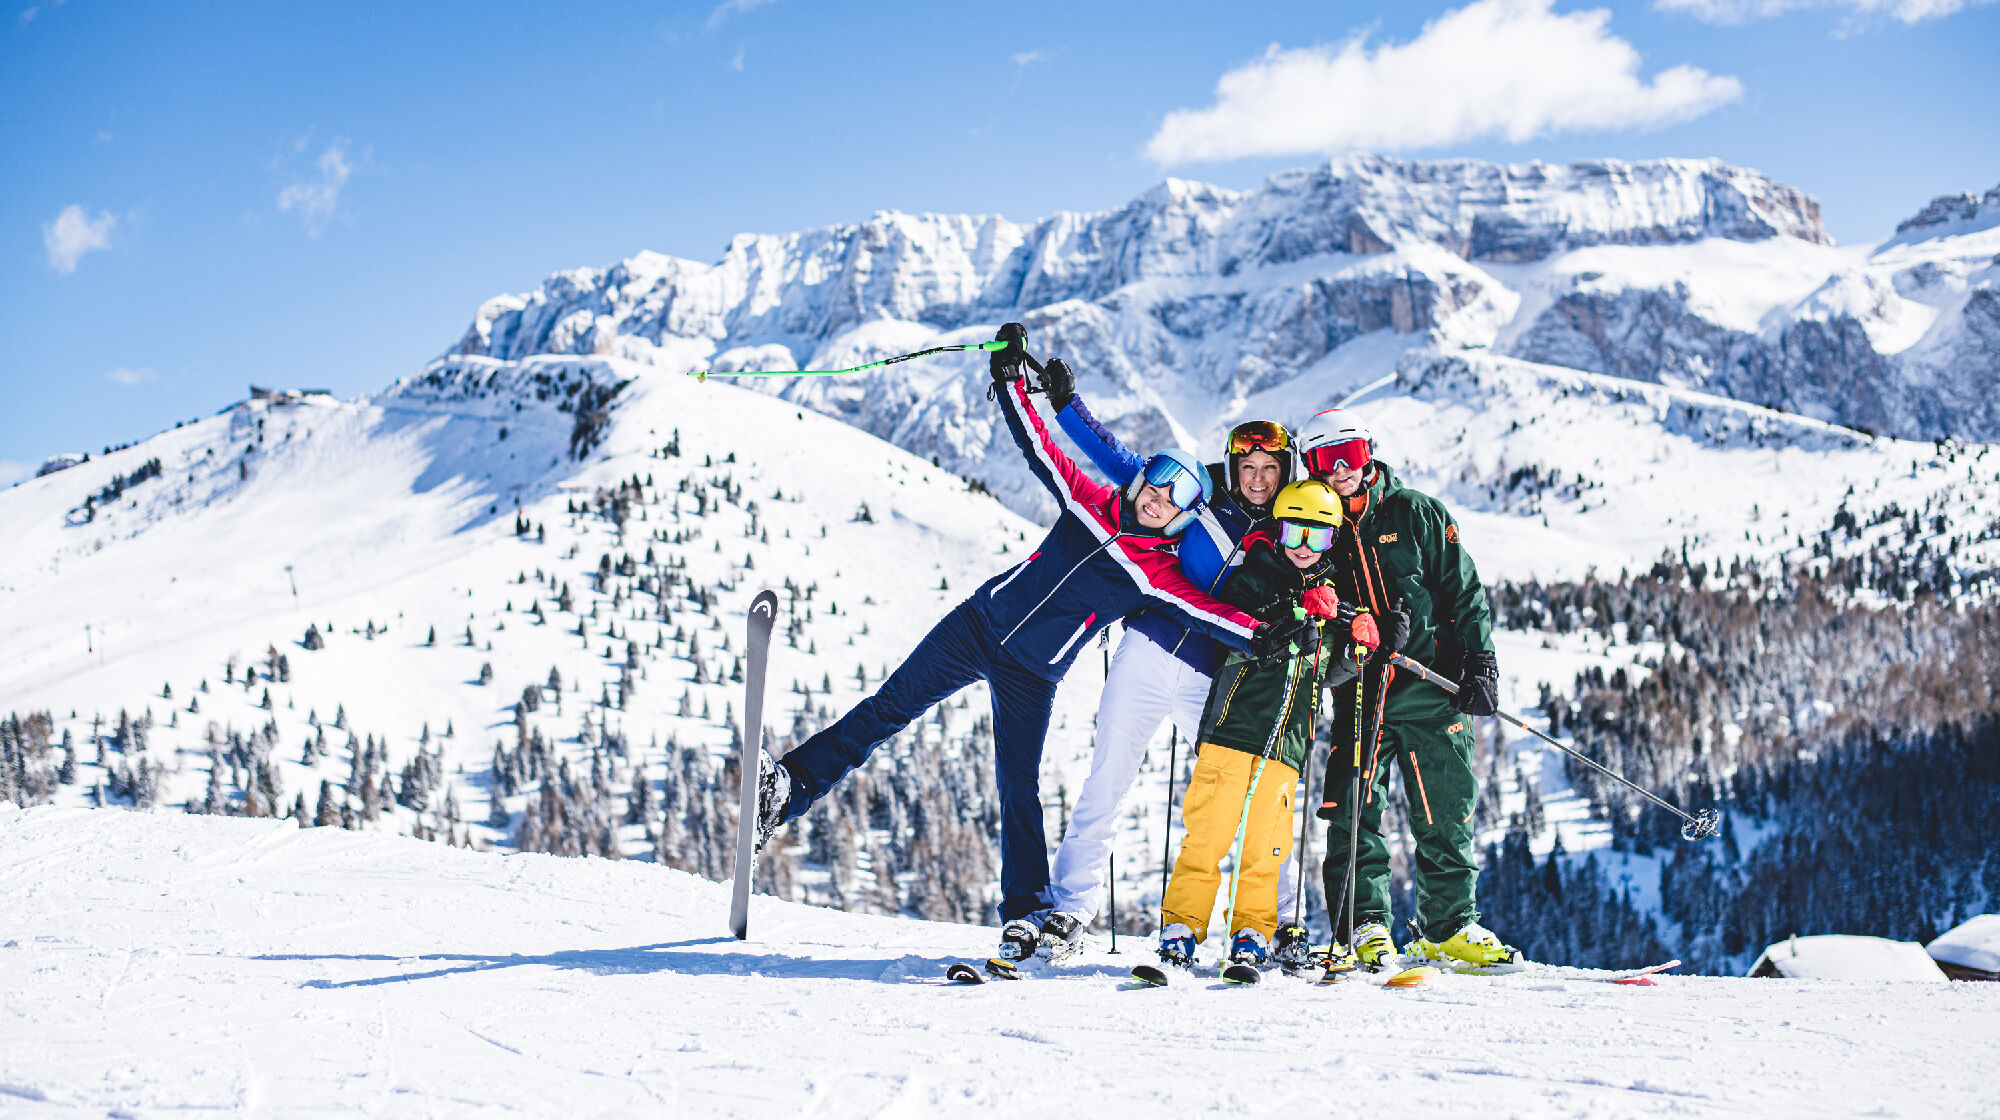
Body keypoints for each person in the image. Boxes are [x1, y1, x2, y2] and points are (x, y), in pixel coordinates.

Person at [750, 324, 1312, 958]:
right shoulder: (1091, 500)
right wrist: (1012, 378)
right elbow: (1041, 447)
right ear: (1141, 480)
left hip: (1031, 673)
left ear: (1186, 513)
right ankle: (789, 789)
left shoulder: (1158, 572)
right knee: (887, 710)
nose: (1158, 498)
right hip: (975, 626)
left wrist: (1264, 633)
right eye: (1155, 482)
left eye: (1176, 496)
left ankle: (1026, 911)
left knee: (1017, 784)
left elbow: (1207, 610)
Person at [1025, 362, 1300, 960]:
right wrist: (1068, 406)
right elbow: (1123, 464)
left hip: (1214, 679)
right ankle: (1070, 911)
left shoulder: (1293, 530)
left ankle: (1266, 925)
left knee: (1250, 791)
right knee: (1109, 780)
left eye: (1269, 469)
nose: (1256, 479)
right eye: (1247, 467)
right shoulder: (1201, 499)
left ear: (1286, 473)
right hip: (1147, 651)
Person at [1298, 407, 1516, 970]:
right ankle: (1364, 925)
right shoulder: (1313, 526)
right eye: (1326, 460)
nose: (1341, 470)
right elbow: (1308, 598)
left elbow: (1462, 589)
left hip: (1430, 690)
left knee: (1446, 813)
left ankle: (1448, 927)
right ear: (1310, 467)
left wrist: (1481, 663)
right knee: (1353, 813)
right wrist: (1351, 626)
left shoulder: (1415, 512)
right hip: (1361, 695)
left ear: (1370, 454)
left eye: (1352, 455)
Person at [1156, 480, 1397, 969]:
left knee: (1267, 844)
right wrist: (1293, 617)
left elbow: (1326, 670)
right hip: (1231, 731)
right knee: (1208, 833)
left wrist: (1356, 649)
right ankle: (1181, 926)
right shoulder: (1251, 579)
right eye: (1295, 535)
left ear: (1332, 542)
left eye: (1317, 538)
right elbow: (1240, 635)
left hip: (1287, 747)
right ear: (1279, 532)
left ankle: (1252, 931)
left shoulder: (1330, 599)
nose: (1304, 549)